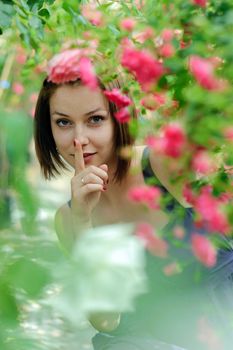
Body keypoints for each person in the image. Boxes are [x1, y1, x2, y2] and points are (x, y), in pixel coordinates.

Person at [34, 67, 226, 350]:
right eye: (63, 123)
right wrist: (83, 221)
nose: (79, 139)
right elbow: (106, 320)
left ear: (119, 118)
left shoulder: (165, 166)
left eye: (95, 120)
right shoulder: (68, 218)